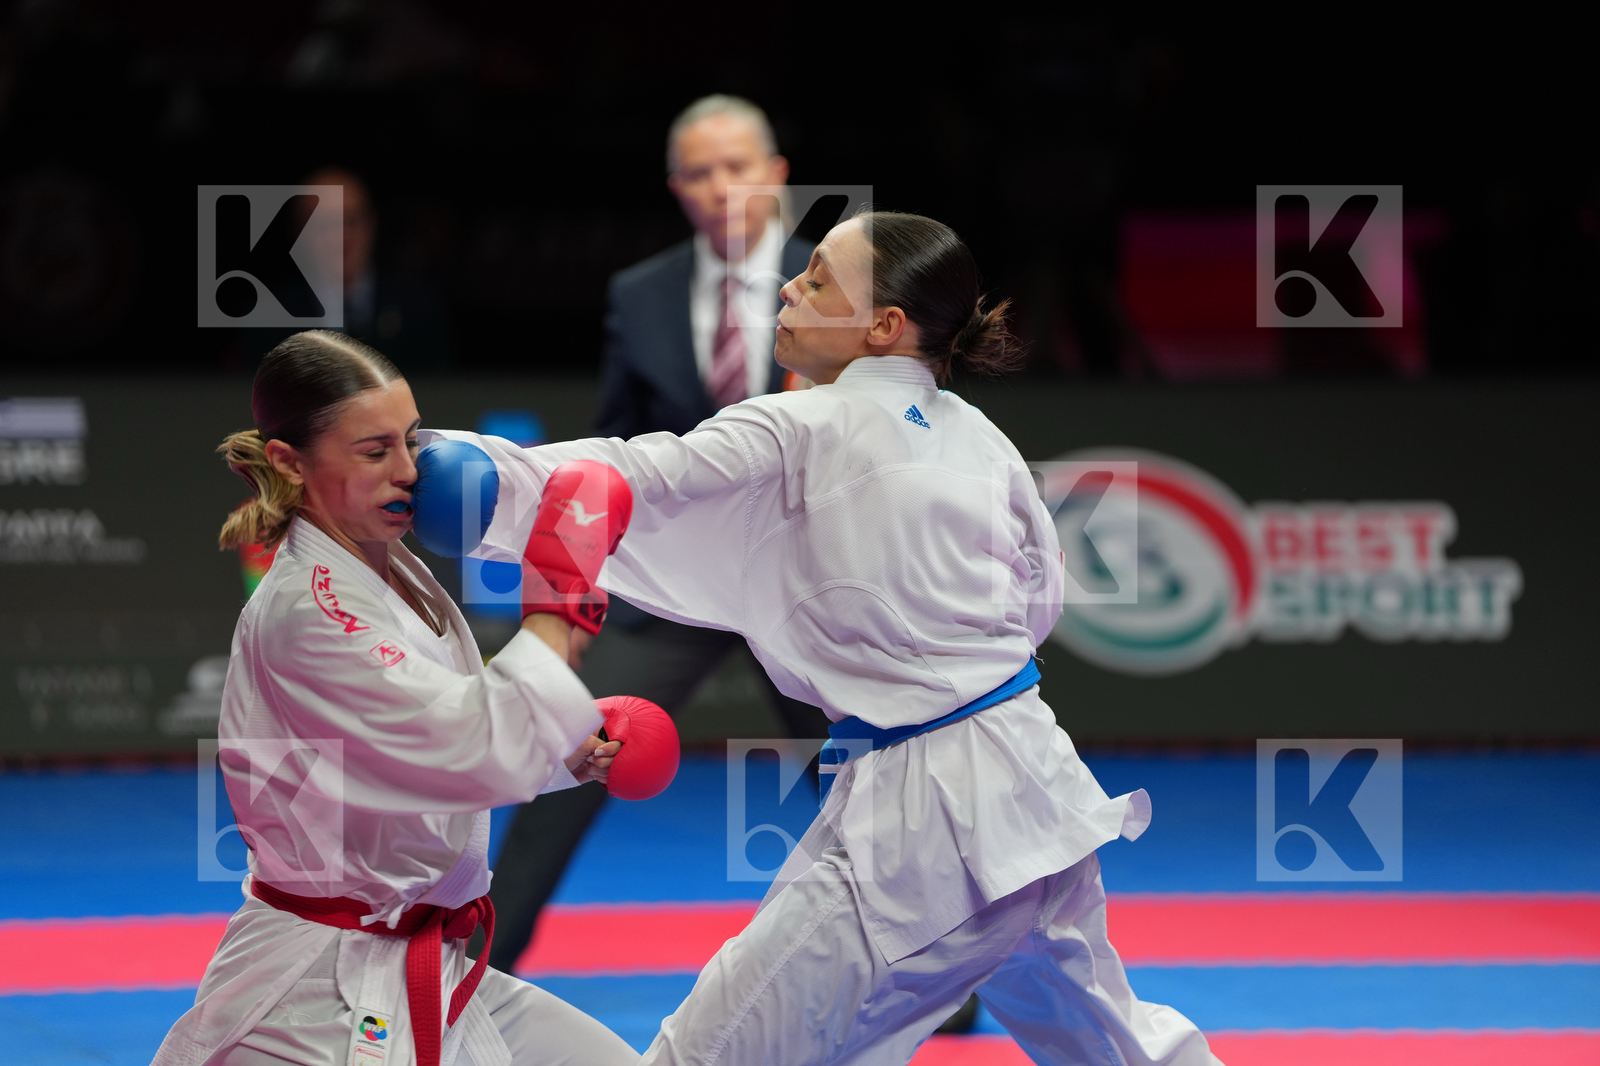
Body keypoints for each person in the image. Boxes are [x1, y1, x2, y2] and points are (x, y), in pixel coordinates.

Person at [432, 212, 1222, 1064]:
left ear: (884, 327)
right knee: (1123, 1048)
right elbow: (1041, 598)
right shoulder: (979, 435)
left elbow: (631, 475)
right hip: (1036, 787)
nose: (787, 289)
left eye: (816, 281)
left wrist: (465, 474)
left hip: (925, 824)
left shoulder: (798, 424)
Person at [152, 331, 639, 1066]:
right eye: (375, 451)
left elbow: (429, 744)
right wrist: (557, 608)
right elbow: (468, 746)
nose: (410, 471)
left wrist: (566, 755)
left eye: (411, 440)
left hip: (420, 955)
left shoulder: (388, 567)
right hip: (319, 992)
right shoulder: (310, 607)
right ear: (290, 462)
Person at [484, 93, 831, 977]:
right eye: (700, 173)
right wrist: (590, 580)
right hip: (676, 584)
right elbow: (615, 445)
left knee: (861, 779)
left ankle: (943, 982)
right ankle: (476, 965)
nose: (722, 187)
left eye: (738, 167)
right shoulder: (639, 295)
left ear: (777, 175)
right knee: (576, 751)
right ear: (677, 187)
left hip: (804, 585)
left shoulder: (840, 284)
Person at [240, 168, 453, 374]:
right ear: (299, 233)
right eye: (323, 225)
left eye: (350, 221)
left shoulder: (418, 310)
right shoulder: (268, 321)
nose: (341, 237)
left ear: (371, 224)